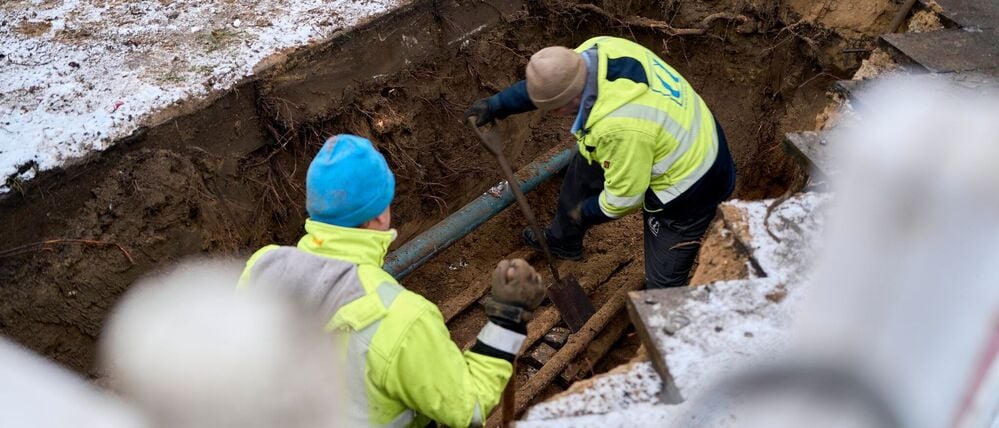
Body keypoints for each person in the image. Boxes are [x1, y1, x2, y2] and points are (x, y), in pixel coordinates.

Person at [239, 134, 545, 427]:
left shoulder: (262, 267)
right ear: (381, 216)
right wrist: (507, 321)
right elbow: (470, 408)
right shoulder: (401, 318)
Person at [465, 36, 736, 289]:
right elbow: (550, 84)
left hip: (693, 184)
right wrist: (498, 104)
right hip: (680, 129)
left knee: (663, 281)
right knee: (581, 173)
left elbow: (624, 199)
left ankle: (666, 327)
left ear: (563, 105)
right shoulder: (595, 50)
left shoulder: (618, 127)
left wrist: (585, 212)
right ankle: (563, 240)